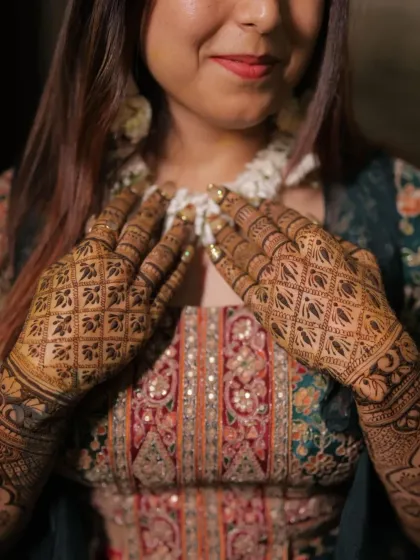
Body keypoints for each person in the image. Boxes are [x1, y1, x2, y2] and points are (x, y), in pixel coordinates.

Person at [0, 0, 419, 558]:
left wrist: (391, 378)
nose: (266, 14)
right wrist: (29, 390)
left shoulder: (404, 213)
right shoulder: (16, 221)